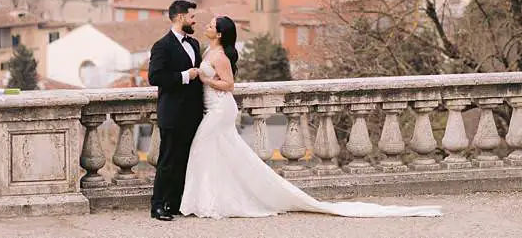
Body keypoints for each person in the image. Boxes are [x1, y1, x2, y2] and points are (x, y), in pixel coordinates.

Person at [177, 15, 441, 219]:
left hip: (221, 108)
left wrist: (205, 78)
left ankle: (215, 200)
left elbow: (230, 85)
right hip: (212, 108)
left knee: (204, 148)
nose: (207, 26)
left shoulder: (220, 55)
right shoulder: (208, 52)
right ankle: (211, 198)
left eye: (211, 25)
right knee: (216, 153)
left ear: (219, 34)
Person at [147, 0, 203, 221]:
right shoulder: (162, 46)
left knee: (185, 160)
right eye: (191, 17)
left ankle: (175, 203)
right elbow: (155, 77)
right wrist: (184, 76)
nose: (194, 21)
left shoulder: (195, 43)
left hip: (193, 113)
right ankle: (157, 205)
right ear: (180, 17)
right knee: (167, 161)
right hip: (172, 113)